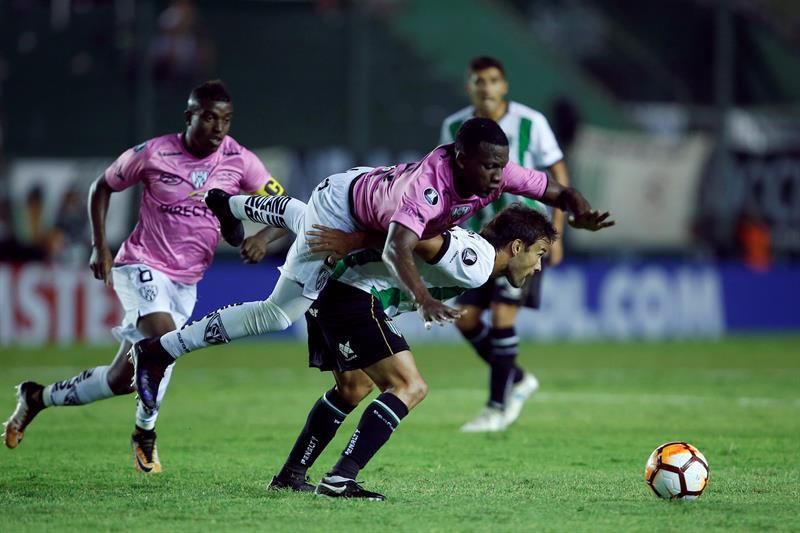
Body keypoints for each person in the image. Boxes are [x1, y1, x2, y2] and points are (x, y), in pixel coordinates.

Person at [130, 118, 613, 486]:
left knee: (351, 379)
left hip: (356, 196)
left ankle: (227, 204)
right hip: (351, 215)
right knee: (279, 311)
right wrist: (418, 295)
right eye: (486, 165)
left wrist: (580, 209)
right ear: (460, 156)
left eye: (498, 167)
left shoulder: (495, 173)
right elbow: (402, 245)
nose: (495, 176)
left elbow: (554, 188)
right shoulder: (430, 190)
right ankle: (163, 349)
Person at [2, 80, 287, 474]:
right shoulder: (155, 153)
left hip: (187, 282)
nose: (218, 127)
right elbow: (102, 186)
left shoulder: (242, 160)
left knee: (124, 379)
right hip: (141, 264)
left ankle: (37, 397)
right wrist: (99, 244)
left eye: (226, 119)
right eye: (208, 117)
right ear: (189, 116)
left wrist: (263, 236)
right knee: (164, 342)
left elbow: (284, 208)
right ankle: (144, 434)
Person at [268, 203, 557, 499]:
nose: (538, 266)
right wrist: (352, 241)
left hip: (332, 286)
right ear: (518, 246)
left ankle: (291, 475)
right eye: (539, 254)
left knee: (353, 387)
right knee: (409, 386)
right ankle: (340, 479)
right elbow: (406, 236)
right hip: (352, 293)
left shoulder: (477, 257)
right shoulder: (475, 261)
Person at [440, 56, 573, 432]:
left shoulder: (531, 123)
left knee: (501, 316)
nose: (486, 87)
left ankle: (497, 408)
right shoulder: (453, 126)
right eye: (479, 80)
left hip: (524, 241)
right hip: (482, 239)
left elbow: (557, 174)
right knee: (465, 319)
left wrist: (557, 233)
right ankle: (516, 378)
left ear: (505, 85)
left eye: (493, 80)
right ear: (470, 86)